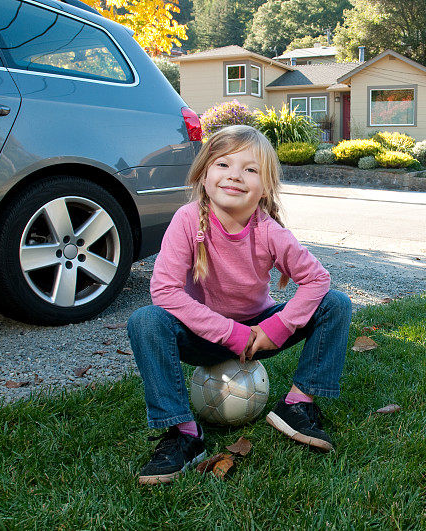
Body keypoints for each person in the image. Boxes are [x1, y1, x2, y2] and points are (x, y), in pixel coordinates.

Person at [127, 125, 351, 485]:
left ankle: (298, 405)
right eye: (223, 165)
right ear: (203, 176)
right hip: (205, 336)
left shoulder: (269, 231)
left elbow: (317, 280)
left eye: (250, 169)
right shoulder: (188, 220)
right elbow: (165, 290)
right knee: (146, 320)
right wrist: (231, 334)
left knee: (335, 303)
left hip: (260, 332)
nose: (234, 175)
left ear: (265, 187)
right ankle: (182, 433)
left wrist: (275, 328)